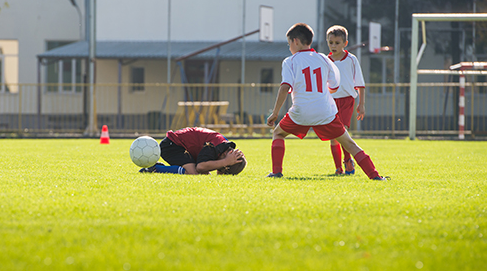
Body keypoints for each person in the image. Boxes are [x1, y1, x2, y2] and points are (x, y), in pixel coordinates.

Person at [265, 22, 387, 180]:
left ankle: (276, 172)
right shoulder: (324, 59)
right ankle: (375, 176)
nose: (290, 48)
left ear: (295, 41)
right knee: (349, 144)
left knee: (278, 133)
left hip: (300, 112)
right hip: (325, 112)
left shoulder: (290, 61)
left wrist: (275, 113)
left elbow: (284, 87)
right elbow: (334, 86)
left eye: (289, 44)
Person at [326, 25, 366, 175]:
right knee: (333, 137)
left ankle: (347, 160)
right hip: (330, 102)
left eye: (337, 43)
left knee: (341, 132)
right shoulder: (325, 61)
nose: (333, 46)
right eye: (331, 42)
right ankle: (338, 168)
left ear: (345, 43)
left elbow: (360, 83)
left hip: (347, 100)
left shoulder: (351, 59)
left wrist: (361, 104)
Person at [139, 127, 247, 175]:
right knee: (192, 173)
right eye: (222, 171)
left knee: (203, 174)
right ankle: (154, 169)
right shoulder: (215, 146)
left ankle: (162, 167)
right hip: (172, 145)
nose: (219, 172)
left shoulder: (223, 146)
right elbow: (200, 166)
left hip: (182, 146)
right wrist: (225, 162)